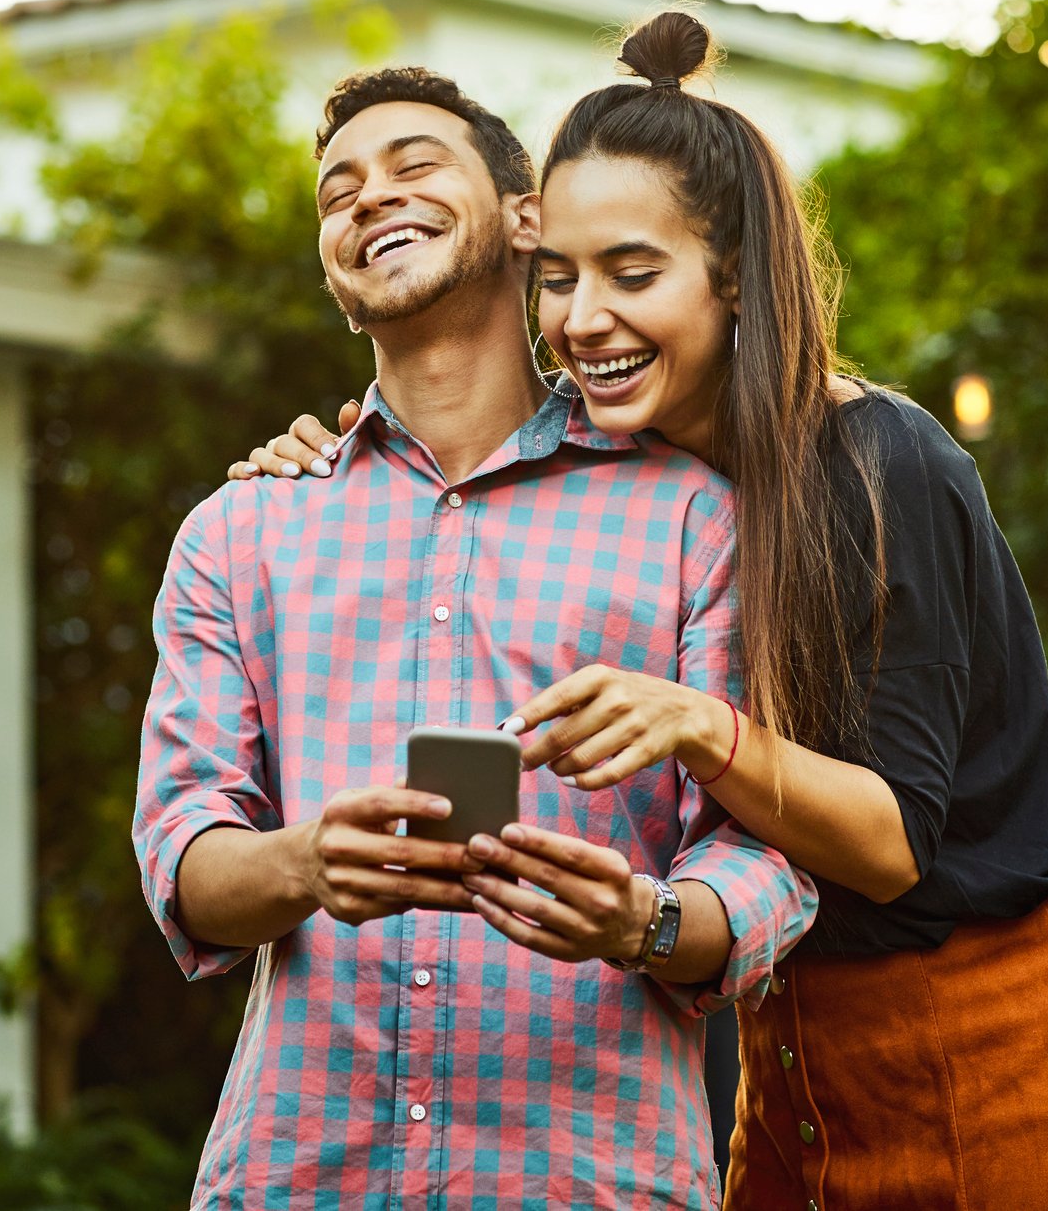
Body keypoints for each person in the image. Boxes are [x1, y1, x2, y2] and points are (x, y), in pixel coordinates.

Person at [231, 11, 1048, 1210]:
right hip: (784, 1047)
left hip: (985, 1029)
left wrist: (697, 726)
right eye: (561, 279)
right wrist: (331, 456)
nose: (584, 320)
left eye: (635, 274)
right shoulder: (654, 483)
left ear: (733, 278)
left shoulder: (879, 460)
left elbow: (891, 844)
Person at [135, 64, 816, 1208]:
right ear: (335, 277)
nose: (367, 196)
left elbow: (765, 859)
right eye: (336, 190)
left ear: (524, 220)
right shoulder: (240, 531)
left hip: (590, 1179)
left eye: (413, 165)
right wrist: (305, 861)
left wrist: (643, 921)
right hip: (297, 1177)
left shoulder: (692, 517)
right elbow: (183, 856)